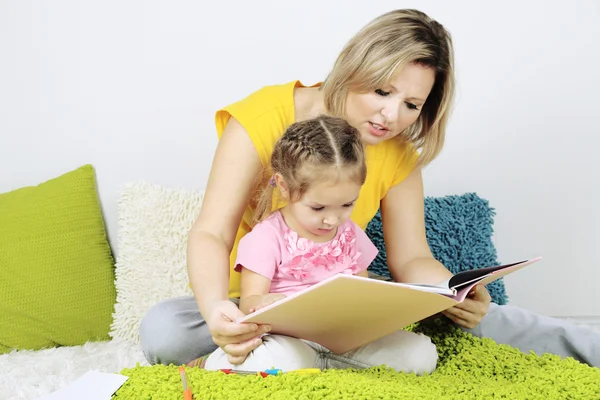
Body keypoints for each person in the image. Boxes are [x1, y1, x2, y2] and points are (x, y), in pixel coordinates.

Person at [139, 8, 600, 368]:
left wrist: (452, 291)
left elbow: (411, 258)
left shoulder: (398, 152)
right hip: (259, 303)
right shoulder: (263, 119)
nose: (391, 116)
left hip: (342, 303)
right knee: (166, 332)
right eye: (381, 92)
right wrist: (219, 312)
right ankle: (287, 353)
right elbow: (212, 234)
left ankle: (588, 346)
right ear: (352, 68)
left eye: (411, 104)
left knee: (477, 319)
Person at [198, 114, 438, 375]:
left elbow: (362, 290)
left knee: (421, 354)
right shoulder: (266, 237)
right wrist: (265, 303)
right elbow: (249, 303)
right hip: (288, 341)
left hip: (345, 340)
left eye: (347, 205)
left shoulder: (349, 234)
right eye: (318, 207)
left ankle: (327, 364)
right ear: (284, 187)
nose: (333, 219)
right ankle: (214, 363)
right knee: (279, 360)